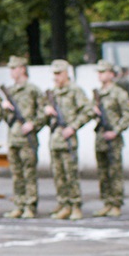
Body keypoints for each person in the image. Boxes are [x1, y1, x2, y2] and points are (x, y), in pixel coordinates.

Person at [44, 60, 93, 220]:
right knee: (58, 175)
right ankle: (64, 204)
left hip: (68, 141)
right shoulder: (53, 93)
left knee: (71, 175)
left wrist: (73, 127)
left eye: (59, 73)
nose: (56, 77)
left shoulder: (74, 91)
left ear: (66, 73)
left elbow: (88, 111)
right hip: (55, 139)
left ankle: (75, 205)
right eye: (54, 74)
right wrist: (47, 112)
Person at [1, 55, 42, 219]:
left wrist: (33, 124)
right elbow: (7, 120)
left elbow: (43, 112)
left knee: (29, 174)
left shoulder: (32, 90)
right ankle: (19, 204)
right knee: (16, 174)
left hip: (27, 140)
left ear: (22, 69)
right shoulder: (10, 91)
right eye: (10, 68)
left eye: (14, 68)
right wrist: (6, 109)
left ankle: (30, 206)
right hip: (14, 138)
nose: (11, 71)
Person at [93, 64, 129, 218]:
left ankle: (116, 203)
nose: (100, 75)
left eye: (103, 72)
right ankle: (106, 202)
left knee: (114, 172)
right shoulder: (98, 93)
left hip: (113, 140)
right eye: (99, 72)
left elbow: (127, 115)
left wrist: (116, 131)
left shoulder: (119, 93)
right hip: (100, 138)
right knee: (102, 173)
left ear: (111, 74)